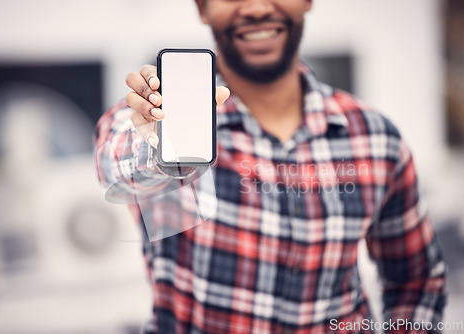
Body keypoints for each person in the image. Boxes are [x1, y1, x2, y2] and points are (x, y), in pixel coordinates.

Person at [93, 0, 447, 333]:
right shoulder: (159, 125)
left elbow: (416, 281)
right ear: (202, 7)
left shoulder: (375, 138)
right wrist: (154, 143)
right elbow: (119, 163)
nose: (258, 7)